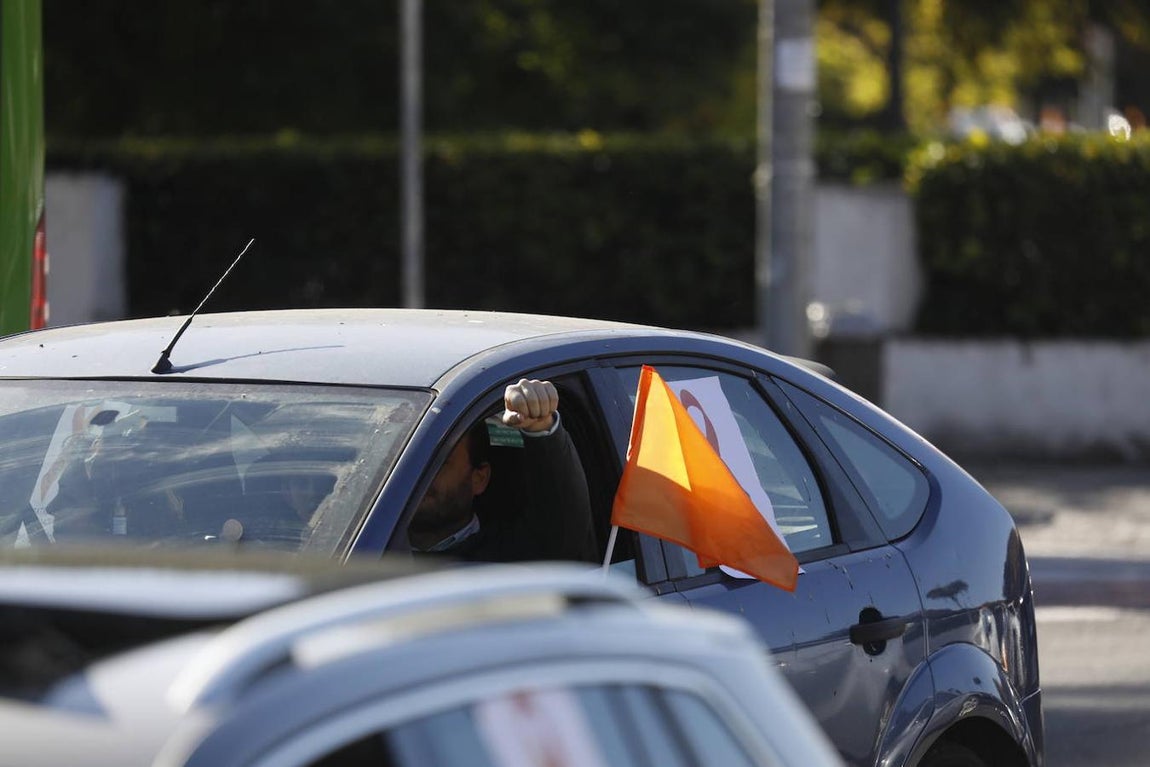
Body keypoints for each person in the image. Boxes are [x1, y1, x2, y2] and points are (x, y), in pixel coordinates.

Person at [408, 378, 597, 563]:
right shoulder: (379, 544)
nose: (418, 476)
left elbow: (563, 529)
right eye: (408, 462)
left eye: (438, 463)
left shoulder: (516, 558)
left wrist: (539, 427)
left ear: (479, 478)